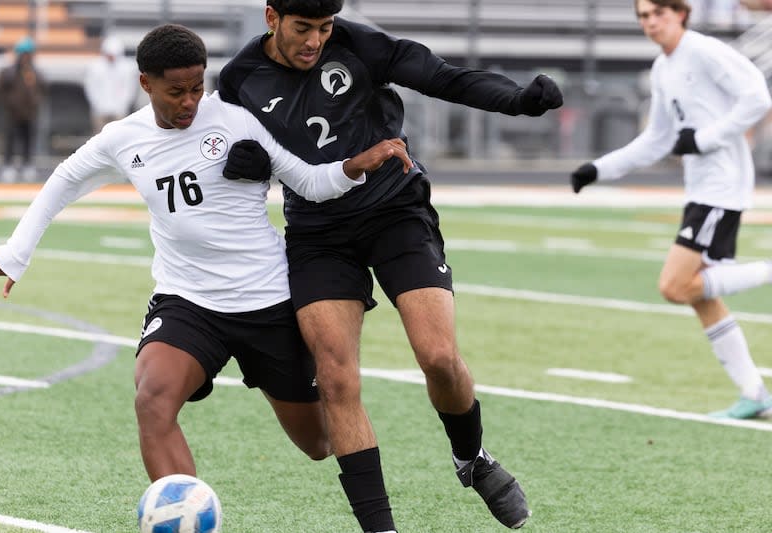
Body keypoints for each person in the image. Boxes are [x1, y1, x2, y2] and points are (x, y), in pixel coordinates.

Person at [0, 24, 413, 485]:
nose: (189, 102)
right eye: (176, 91)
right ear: (145, 83)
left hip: (266, 301)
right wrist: (16, 251)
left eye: (197, 88)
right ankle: (182, 513)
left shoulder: (239, 118)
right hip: (187, 300)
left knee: (319, 444)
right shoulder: (122, 138)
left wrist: (350, 168)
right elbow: (64, 180)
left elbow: (307, 182)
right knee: (152, 399)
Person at [217, 1, 563, 530]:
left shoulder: (359, 45)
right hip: (317, 235)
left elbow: (441, 77)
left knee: (439, 358)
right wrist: (236, 167)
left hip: (396, 212)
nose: (315, 41)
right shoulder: (239, 80)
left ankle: (471, 458)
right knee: (335, 380)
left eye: (324, 28)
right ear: (271, 18)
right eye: (302, 28)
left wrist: (516, 100)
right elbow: (218, 149)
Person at [570, 0, 772, 419]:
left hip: (721, 186)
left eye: (657, 13)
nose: (650, 23)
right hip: (702, 189)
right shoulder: (664, 68)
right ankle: (753, 393)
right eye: (643, 16)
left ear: (680, 13)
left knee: (676, 286)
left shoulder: (703, 51)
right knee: (701, 295)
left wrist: (706, 138)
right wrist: (599, 168)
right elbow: (658, 138)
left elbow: (756, 97)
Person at [0, 35, 45, 183]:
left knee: (28, 140)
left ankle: (27, 165)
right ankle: (8, 166)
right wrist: (10, 103)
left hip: (30, 113)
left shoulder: (34, 73)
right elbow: (0, 90)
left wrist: (36, 102)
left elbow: (42, 89)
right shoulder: (9, 72)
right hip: (13, 113)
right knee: (11, 140)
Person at [83, 35, 137, 134]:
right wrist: (97, 103)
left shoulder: (126, 68)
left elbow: (129, 89)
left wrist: (123, 104)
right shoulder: (95, 67)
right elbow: (91, 87)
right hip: (100, 110)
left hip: (119, 110)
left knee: (118, 136)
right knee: (99, 138)